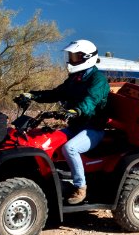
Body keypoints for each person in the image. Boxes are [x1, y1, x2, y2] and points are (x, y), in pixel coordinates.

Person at [23, 39, 110, 204]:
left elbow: (90, 100)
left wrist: (76, 111)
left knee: (70, 148)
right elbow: (56, 93)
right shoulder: (76, 78)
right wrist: (32, 95)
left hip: (92, 129)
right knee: (46, 140)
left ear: (87, 57)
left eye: (75, 56)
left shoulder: (98, 80)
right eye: (71, 56)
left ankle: (80, 187)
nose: (71, 60)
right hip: (76, 126)